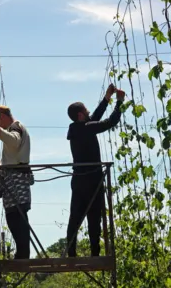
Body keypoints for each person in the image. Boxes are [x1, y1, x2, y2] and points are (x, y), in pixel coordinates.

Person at [65, 83, 125, 257]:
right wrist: (119, 102)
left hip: (78, 180)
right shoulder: (86, 128)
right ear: (80, 115)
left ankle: (71, 253)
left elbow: (96, 117)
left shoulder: (77, 129)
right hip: (93, 179)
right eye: (86, 110)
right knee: (94, 217)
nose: (89, 111)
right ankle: (95, 254)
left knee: (75, 217)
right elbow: (110, 122)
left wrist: (107, 98)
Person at [0, 106, 34, 259]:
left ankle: (23, 254)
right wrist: (2, 163)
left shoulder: (15, 127)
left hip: (17, 178)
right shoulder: (14, 128)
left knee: (17, 216)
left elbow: (14, 142)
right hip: (15, 176)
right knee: (14, 216)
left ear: (3, 116)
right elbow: (14, 152)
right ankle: (22, 253)